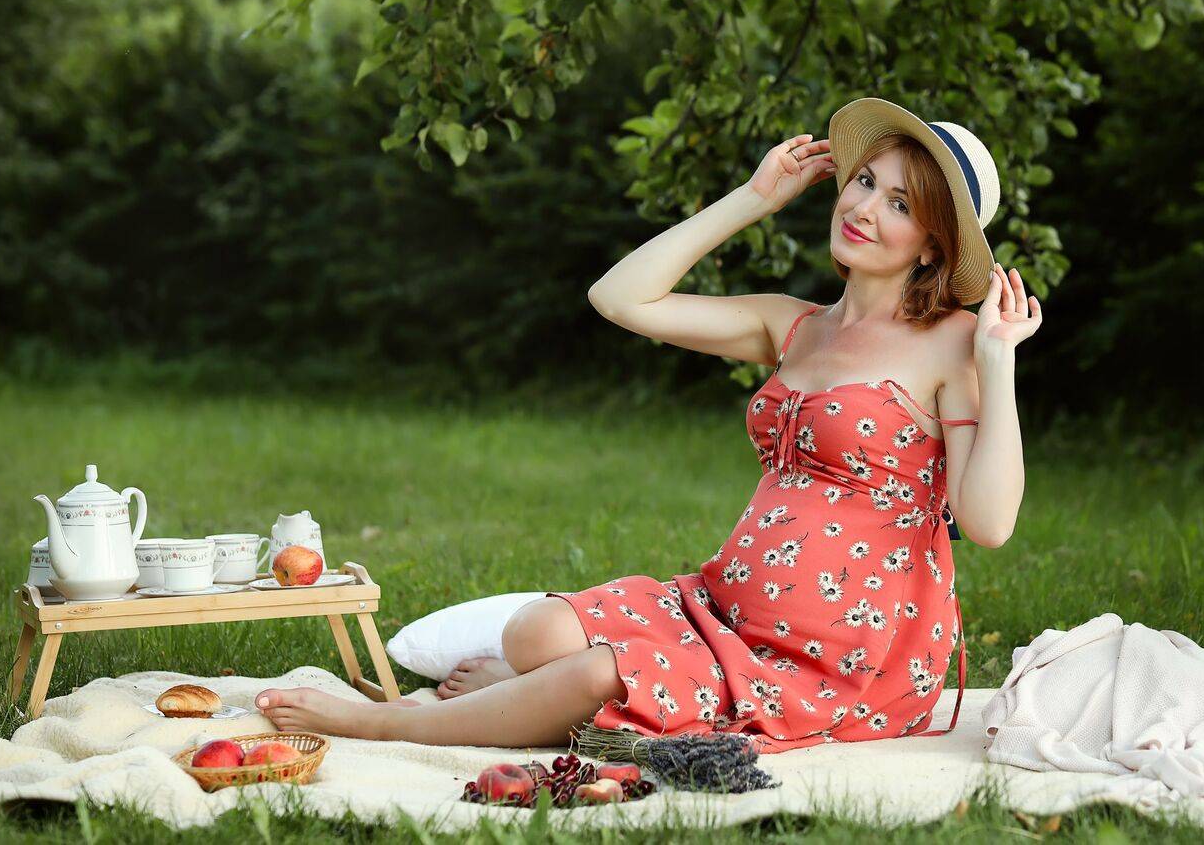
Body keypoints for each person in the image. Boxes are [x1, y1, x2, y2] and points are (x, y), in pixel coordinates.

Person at [255, 97, 1041, 750]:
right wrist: (753, 198)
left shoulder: (951, 343)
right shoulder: (794, 323)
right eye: (865, 181)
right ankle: (537, 693)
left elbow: (989, 522)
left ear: (933, 244)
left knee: (601, 672)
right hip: (723, 609)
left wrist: (997, 360)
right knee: (536, 632)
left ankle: (392, 723)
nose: (864, 207)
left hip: (839, 659)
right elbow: (620, 297)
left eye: (900, 203)